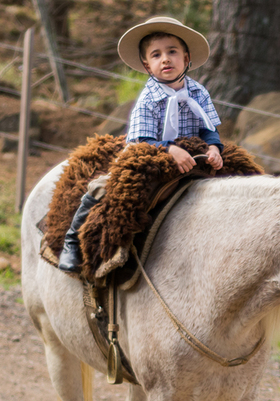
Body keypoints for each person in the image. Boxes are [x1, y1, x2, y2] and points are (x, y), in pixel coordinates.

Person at [58, 16, 225, 273]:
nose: (165, 59)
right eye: (156, 55)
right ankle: (73, 241)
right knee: (106, 187)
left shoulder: (198, 92)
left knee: (234, 178)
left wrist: (213, 148)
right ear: (148, 66)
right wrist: (169, 148)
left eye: (172, 52)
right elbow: (142, 140)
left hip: (191, 153)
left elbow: (208, 127)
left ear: (187, 57)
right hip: (149, 153)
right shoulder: (149, 98)